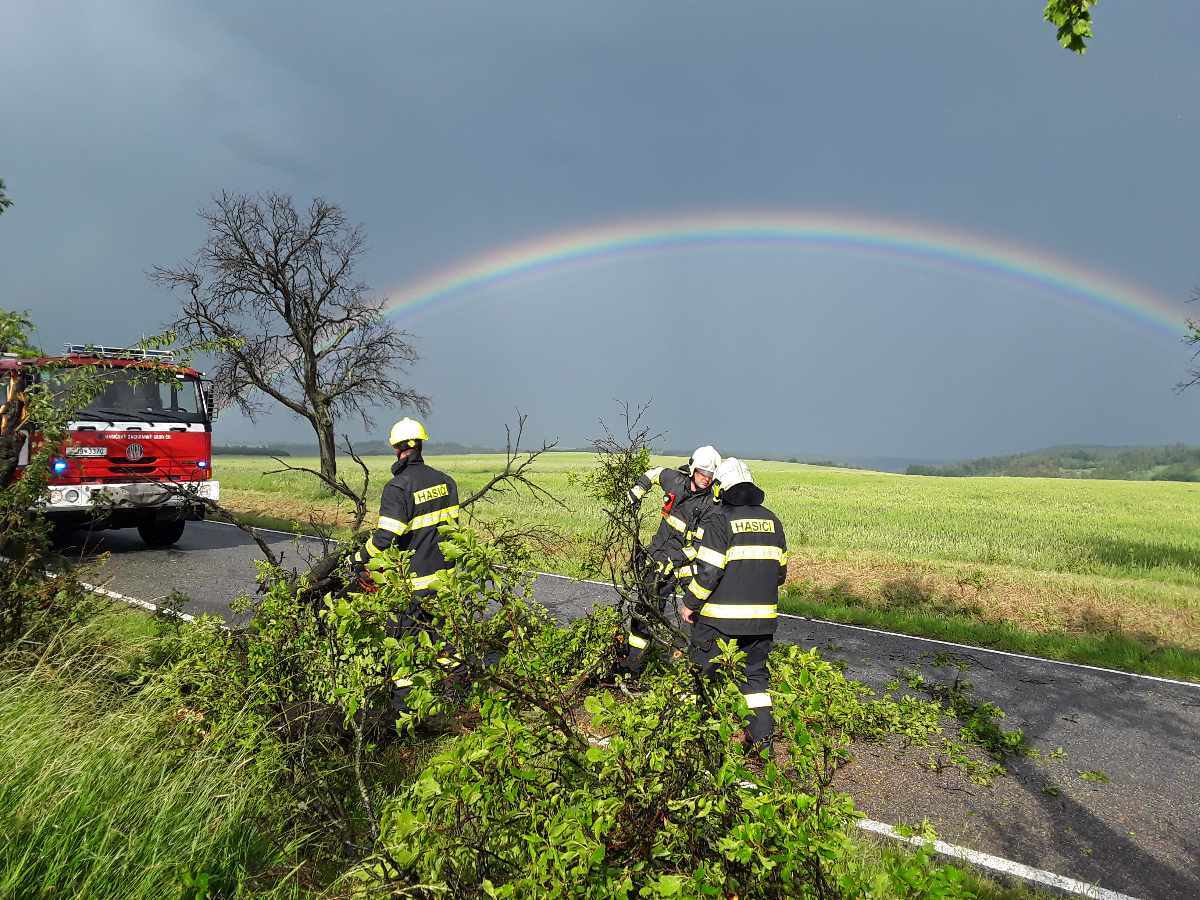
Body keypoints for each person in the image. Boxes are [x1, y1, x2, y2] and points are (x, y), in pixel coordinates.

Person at [683, 457, 788, 754]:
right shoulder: (773, 521)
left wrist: (689, 604)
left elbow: (708, 572)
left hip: (719, 622)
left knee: (700, 678)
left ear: (721, 487)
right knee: (756, 682)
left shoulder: (720, 520)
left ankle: (692, 745)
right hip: (762, 623)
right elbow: (780, 574)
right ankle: (763, 747)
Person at [622, 445, 721, 674]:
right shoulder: (675, 480)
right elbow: (654, 473)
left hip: (687, 566)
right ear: (693, 469)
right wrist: (637, 490)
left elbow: (697, 548)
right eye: (702, 473)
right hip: (657, 557)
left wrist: (672, 560)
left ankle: (688, 668)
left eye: (710, 475)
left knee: (695, 614)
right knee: (645, 611)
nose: (706, 479)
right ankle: (634, 665)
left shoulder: (711, 505)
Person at [353, 417, 460, 616]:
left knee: (405, 641)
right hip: (447, 584)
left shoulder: (398, 487)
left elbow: (386, 536)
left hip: (415, 587)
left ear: (396, 448)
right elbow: (454, 531)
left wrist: (360, 557)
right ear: (421, 445)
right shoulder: (447, 482)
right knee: (445, 644)